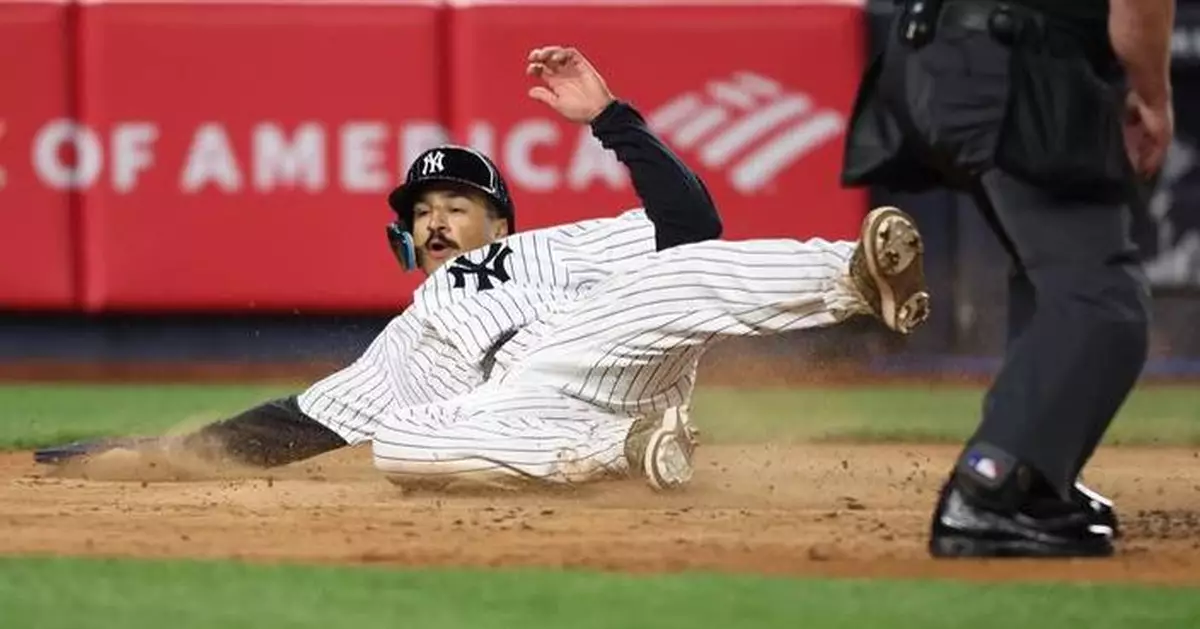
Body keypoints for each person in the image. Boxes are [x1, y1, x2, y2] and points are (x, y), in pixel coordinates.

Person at [36, 46, 931, 491]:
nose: (434, 221)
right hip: (532, 411)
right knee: (400, 445)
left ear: (500, 217)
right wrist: (157, 453)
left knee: (672, 272)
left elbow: (692, 224)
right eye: (421, 213)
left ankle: (855, 280)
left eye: (456, 205)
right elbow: (298, 423)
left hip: (599, 347)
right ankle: (629, 456)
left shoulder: (551, 246)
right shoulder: (412, 328)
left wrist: (613, 115)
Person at [841, 0, 1173, 557]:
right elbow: (1138, 10)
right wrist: (1155, 96)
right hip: (1009, 61)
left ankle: (1037, 478)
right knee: (1103, 301)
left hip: (929, 54)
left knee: (1052, 284)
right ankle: (991, 485)